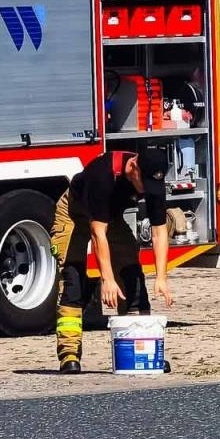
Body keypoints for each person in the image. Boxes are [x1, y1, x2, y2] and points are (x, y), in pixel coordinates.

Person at [51, 145, 173, 375]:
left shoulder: (152, 180)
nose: (148, 191)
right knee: (73, 279)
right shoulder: (103, 175)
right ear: (133, 167)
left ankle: (142, 345)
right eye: (144, 184)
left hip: (110, 217)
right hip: (74, 213)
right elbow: (97, 233)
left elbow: (159, 232)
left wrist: (162, 277)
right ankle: (69, 354)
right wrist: (106, 279)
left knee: (132, 275)